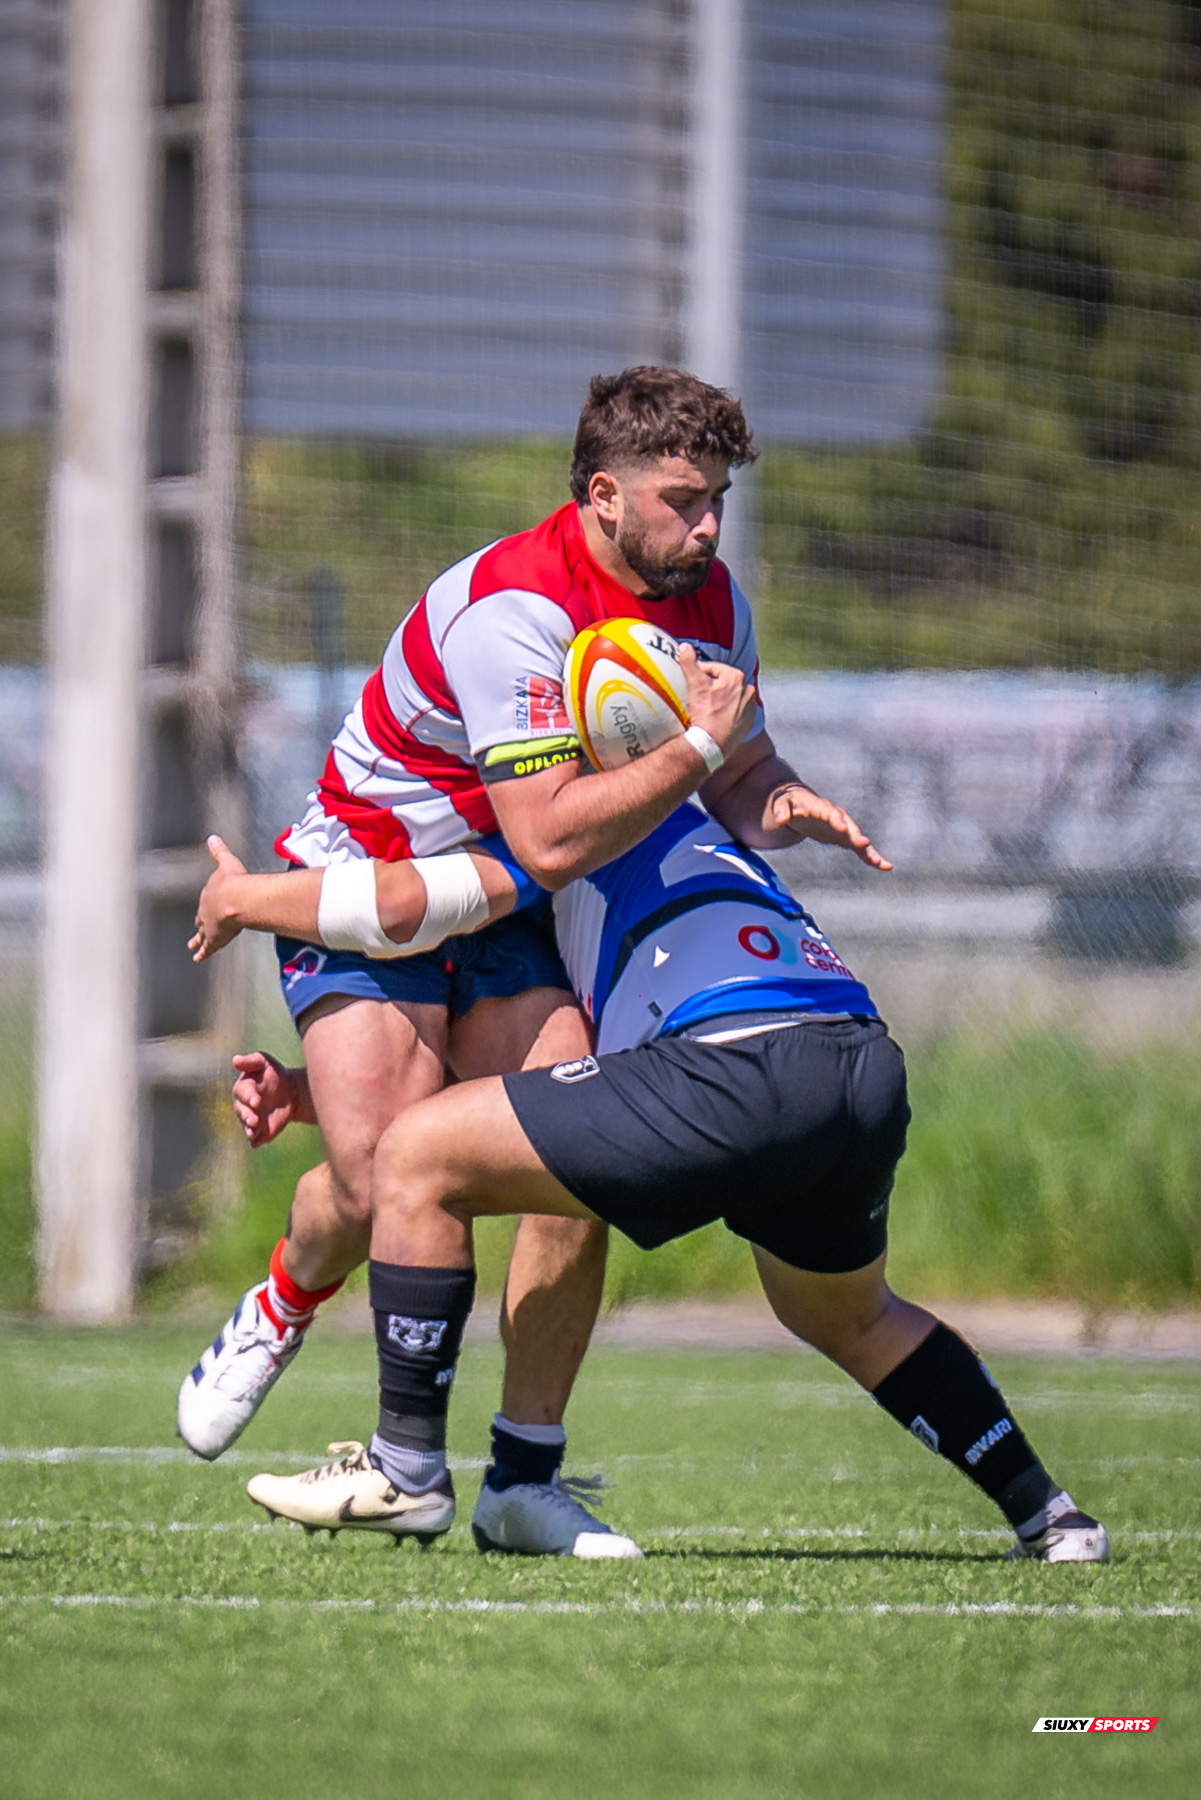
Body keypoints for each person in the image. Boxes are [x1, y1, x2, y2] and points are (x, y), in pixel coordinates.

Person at [178, 366, 885, 1557]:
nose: (705, 526)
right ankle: (285, 1298)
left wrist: (779, 794)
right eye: (679, 500)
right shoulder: (512, 607)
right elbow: (553, 833)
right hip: (371, 882)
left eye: (716, 499)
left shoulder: (711, 605)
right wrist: (709, 746)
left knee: (580, 1152)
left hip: (507, 899)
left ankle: (522, 1481)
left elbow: (730, 774)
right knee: (374, 1176)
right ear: (601, 495)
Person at [226, 808, 1108, 1565]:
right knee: (846, 1313)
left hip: (733, 1066)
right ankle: (1050, 1516)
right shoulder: (698, 813)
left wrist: (239, 897)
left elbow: (393, 904)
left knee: (415, 1155)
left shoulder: (556, 824)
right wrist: (309, 1095)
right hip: (857, 1061)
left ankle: (407, 1470)